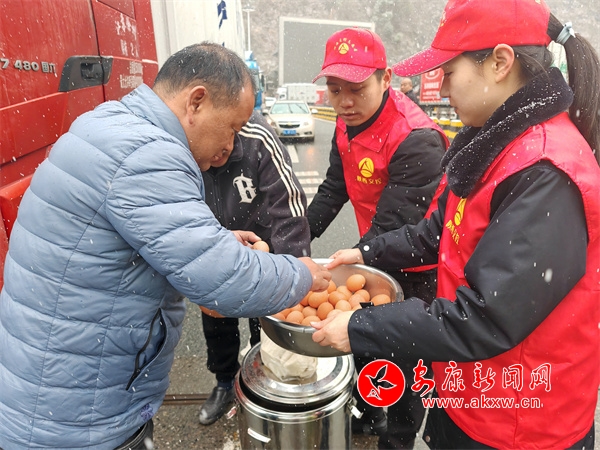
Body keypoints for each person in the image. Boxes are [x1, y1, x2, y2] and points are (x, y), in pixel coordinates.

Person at [0, 42, 331, 450]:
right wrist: (301, 274)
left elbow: (132, 239)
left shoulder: (114, 125)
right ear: (196, 102)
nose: (231, 146)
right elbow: (222, 279)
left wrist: (218, 241)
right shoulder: (147, 154)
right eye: (231, 128)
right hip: (76, 417)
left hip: (57, 388)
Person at [312, 0, 600, 448]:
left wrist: (359, 327)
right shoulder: (494, 143)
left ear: (500, 62)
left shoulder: (545, 171)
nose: (442, 88)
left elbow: (486, 316)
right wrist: (366, 252)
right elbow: (439, 231)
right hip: (471, 387)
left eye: (448, 72)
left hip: (519, 419)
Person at [308, 27, 448, 449]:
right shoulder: (345, 123)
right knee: (368, 344)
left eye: (357, 89)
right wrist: (294, 243)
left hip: (418, 262)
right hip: (374, 250)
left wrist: (350, 262)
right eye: (335, 90)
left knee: (405, 357)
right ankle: (369, 415)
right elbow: (333, 189)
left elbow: (395, 224)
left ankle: (398, 438)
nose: (345, 102)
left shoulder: (415, 138)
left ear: (386, 79)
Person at [198, 110, 311, 425]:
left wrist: (294, 272)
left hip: (263, 245)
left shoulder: (257, 137)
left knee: (266, 321)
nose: (222, 150)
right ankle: (224, 382)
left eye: (229, 136)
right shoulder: (183, 143)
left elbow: (289, 204)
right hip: (214, 246)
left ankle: (264, 379)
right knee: (216, 322)